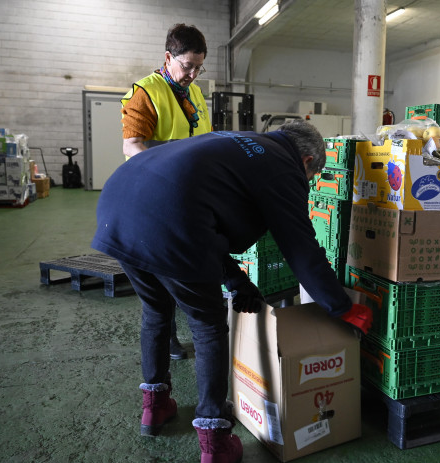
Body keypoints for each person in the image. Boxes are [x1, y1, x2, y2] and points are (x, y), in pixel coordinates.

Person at [91, 120, 372, 463]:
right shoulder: (283, 167)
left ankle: (156, 405)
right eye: (312, 178)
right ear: (308, 161)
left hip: (117, 211)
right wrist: (343, 307)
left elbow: (197, 215)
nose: (308, 185)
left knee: (156, 311)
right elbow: (302, 249)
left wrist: (236, 280)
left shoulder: (242, 143)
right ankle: (214, 438)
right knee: (208, 325)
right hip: (166, 222)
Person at [121, 23, 212, 360]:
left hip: (191, 191)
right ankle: (168, 338)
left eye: (198, 66)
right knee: (162, 273)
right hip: (156, 193)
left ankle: (194, 330)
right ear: (168, 57)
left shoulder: (196, 93)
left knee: (188, 263)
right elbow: (132, 146)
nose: (192, 73)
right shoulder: (145, 92)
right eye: (186, 65)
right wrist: (169, 172)